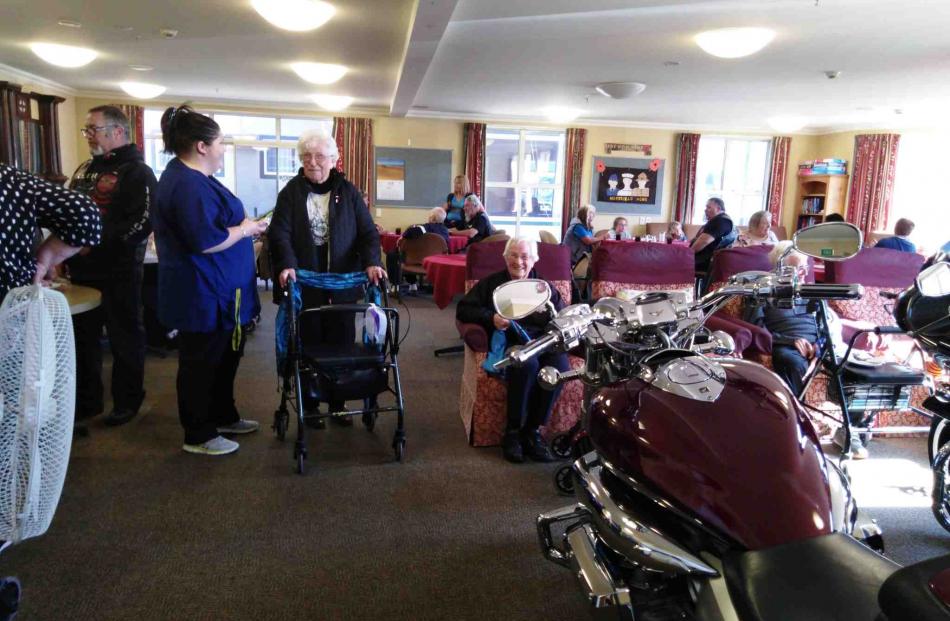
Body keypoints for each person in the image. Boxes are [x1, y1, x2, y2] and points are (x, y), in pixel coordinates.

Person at [152, 104, 267, 456]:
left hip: (221, 291)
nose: (223, 150)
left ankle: (222, 415)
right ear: (202, 146)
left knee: (224, 357)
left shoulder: (197, 180)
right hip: (201, 292)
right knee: (200, 364)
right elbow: (207, 240)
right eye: (220, 143)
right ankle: (198, 434)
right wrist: (246, 229)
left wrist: (247, 229)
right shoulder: (185, 184)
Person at [268, 128, 384, 428]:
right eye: (306, 156)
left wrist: (372, 262)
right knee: (310, 343)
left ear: (334, 159)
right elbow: (279, 234)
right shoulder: (290, 193)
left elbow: (368, 233)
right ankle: (311, 403)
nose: (313, 162)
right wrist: (287, 264)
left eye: (319, 156)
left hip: (342, 283)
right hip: (306, 283)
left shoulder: (348, 192)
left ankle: (338, 402)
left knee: (342, 342)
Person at [66, 105, 156, 427]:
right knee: (83, 339)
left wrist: (99, 245)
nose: (88, 135)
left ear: (117, 132)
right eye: (87, 130)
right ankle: (88, 402)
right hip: (81, 272)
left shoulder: (138, 172)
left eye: (94, 129)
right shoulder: (84, 169)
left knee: (125, 338)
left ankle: (128, 400)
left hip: (119, 271)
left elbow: (143, 222)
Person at [456, 237, 569, 463]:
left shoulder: (542, 287)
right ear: (505, 258)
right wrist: (491, 318)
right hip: (512, 340)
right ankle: (513, 432)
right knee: (526, 365)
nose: (519, 261)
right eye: (514, 256)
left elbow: (562, 314)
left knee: (559, 369)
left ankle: (532, 431)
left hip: (544, 340)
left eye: (525, 256)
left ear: (535, 260)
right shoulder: (493, 284)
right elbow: (463, 310)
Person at [0, 163, 101, 303]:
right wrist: (42, 263)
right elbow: (85, 213)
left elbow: (84, 213)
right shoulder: (9, 178)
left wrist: (42, 263)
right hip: (13, 305)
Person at [385, 207, 450, 288]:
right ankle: (412, 284)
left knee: (393, 255)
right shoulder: (445, 231)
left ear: (432, 218)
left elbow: (411, 232)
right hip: (437, 262)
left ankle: (397, 286)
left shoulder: (427, 227)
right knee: (409, 253)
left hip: (419, 260)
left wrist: (402, 236)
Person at [690, 197, 737, 273]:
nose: (705, 210)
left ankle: (678, 285)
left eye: (708, 207)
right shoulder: (727, 221)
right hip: (718, 261)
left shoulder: (719, 221)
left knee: (674, 262)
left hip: (707, 262)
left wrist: (687, 254)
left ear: (718, 209)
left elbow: (703, 241)